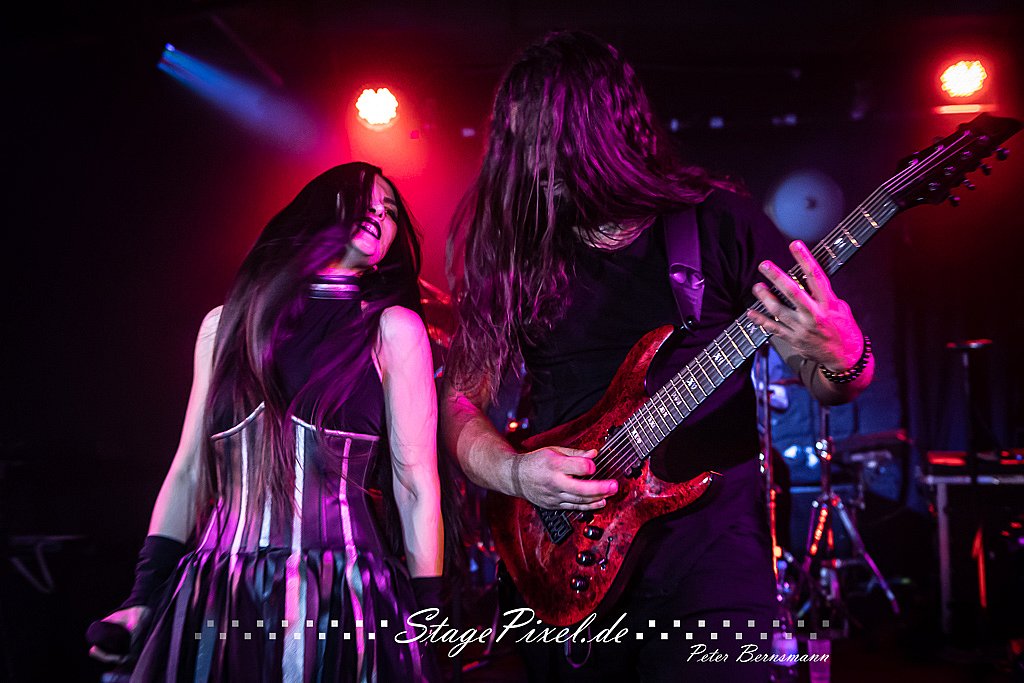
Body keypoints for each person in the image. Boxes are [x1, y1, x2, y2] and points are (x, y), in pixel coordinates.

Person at [442, 31, 873, 682]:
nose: (533, 162)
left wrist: (844, 354)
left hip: (711, 549)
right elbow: (457, 401)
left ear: (607, 131)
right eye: (519, 141)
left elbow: (829, 380)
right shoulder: (516, 246)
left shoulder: (718, 223)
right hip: (562, 548)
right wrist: (514, 472)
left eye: (549, 140)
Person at [89, 162, 444, 681]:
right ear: (317, 208)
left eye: (389, 211)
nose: (378, 214)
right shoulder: (225, 324)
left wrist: (429, 617)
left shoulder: (393, 330)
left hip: (342, 597)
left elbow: (415, 485)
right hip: (219, 595)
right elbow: (189, 471)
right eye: (362, 200)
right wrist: (142, 595)